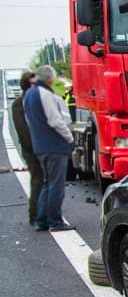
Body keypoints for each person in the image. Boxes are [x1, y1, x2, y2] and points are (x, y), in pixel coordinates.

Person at [23, 65, 76, 232]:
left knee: (47, 184)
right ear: (50, 79)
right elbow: (55, 120)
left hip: (40, 146)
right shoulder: (45, 94)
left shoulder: (28, 95)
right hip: (54, 146)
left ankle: (41, 220)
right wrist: (69, 138)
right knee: (56, 186)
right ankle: (55, 221)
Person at [10, 71, 43, 225]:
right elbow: (22, 129)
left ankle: (43, 212)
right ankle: (35, 215)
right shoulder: (19, 103)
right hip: (32, 149)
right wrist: (35, 147)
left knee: (44, 181)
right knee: (38, 180)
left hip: (42, 146)